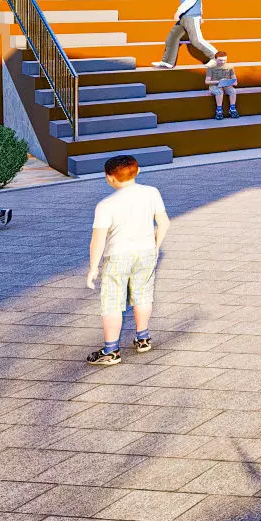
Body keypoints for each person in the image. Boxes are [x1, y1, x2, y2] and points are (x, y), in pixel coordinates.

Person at [82, 154, 167, 366]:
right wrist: (155, 246)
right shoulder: (151, 193)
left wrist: (93, 267)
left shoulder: (106, 205)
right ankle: (143, 338)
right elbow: (164, 223)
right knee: (143, 295)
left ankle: (111, 350)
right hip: (146, 252)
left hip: (117, 255)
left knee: (112, 301)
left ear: (109, 178)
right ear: (138, 171)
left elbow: (98, 240)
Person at [155, 0, 216, 69]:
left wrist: (179, 12)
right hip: (184, 17)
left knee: (197, 40)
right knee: (172, 37)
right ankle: (167, 62)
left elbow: (191, 1)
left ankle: (216, 57)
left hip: (191, 17)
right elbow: (199, 1)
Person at [205, 51, 239, 119]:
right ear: (215, 59)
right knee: (219, 92)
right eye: (220, 60)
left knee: (233, 91)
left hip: (226, 85)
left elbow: (235, 80)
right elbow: (207, 81)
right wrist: (218, 82)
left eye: (224, 60)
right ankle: (219, 111)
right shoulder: (211, 68)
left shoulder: (230, 67)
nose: (223, 62)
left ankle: (232, 109)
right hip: (214, 85)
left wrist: (233, 82)